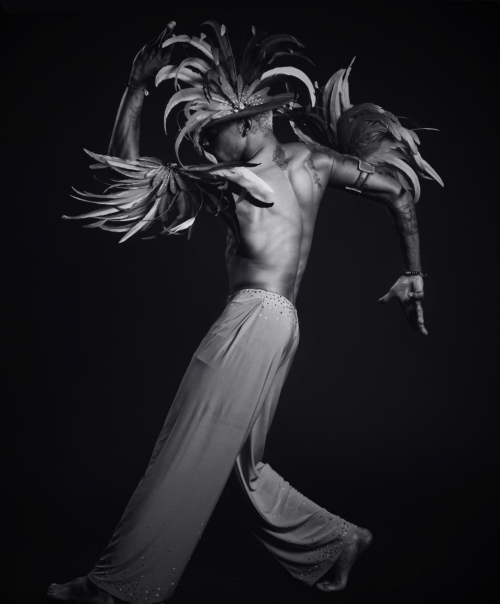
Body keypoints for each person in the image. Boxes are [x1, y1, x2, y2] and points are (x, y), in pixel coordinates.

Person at [47, 19, 441, 604]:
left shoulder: (231, 183)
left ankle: (113, 586)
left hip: (252, 320)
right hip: (284, 323)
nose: (206, 146)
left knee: (185, 446)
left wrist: (135, 89)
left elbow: (122, 177)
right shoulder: (315, 163)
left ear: (253, 122)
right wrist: (413, 274)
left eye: (214, 134)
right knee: (238, 465)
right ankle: (338, 540)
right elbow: (400, 192)